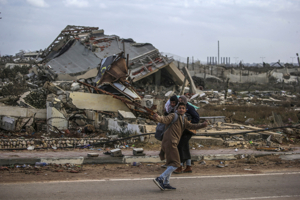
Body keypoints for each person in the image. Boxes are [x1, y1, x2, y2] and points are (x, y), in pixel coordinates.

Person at [152, 102, 207, 191]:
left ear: (185, 110)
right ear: (177, 109)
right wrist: (158, 118)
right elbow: (164, 119)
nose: (181, 109)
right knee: (176, 163)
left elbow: (192, 126)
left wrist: (202, 125)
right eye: (180, 108)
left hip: (171, 143)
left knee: (171, 163)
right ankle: (160, 178)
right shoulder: (173, 116)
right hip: (170, 142)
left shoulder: (183, 119)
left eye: (183, 108)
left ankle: (166, 183)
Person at [174, 95, 200, 174]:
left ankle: (180, 166)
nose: (180, 102)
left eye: (181, 100)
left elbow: (197, 118)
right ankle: (188, 166)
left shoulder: (189, 108)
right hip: (182, 131)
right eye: (179, 100)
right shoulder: (178, 108)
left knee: (180, 147)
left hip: (188, 131)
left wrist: (189, 124)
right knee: (185, 147)